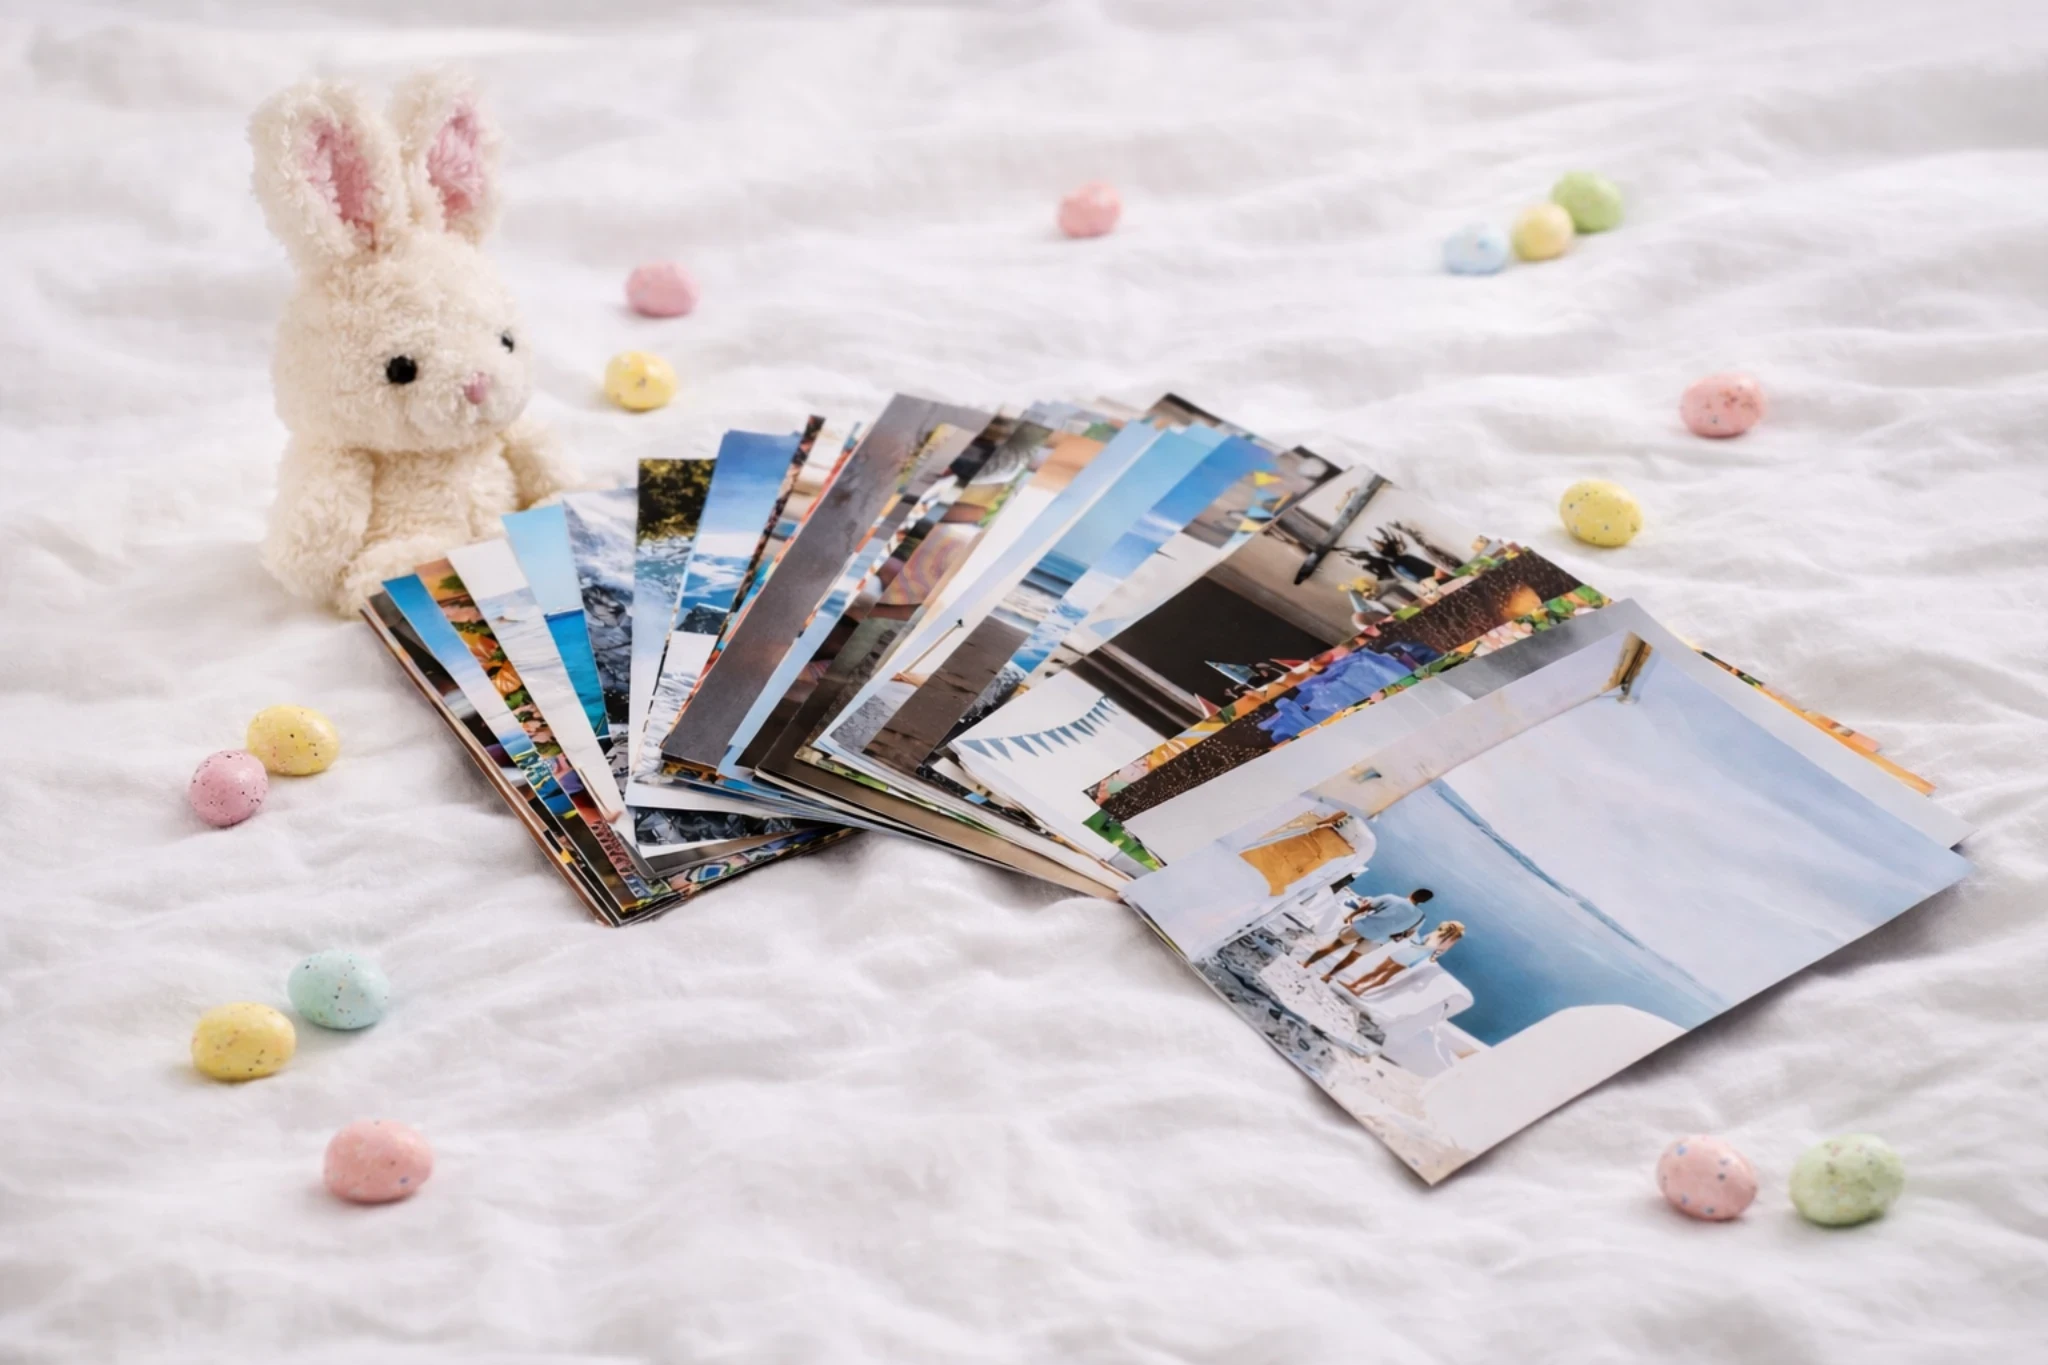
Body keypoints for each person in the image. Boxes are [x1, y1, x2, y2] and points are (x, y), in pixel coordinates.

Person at [1303, 886, 1434, 979]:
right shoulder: (1421, 917)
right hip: (1379, 939)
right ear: (1423, 901)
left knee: (1334, 946)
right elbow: (1408, 934)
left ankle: (1306, 964)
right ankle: (1328, 976)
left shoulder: (1392, 898)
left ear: (1413, 892)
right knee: (1352, 958)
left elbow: (1367, 906)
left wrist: (1351, 916)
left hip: (1363, 927)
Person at [1344, 921, 1465, 996]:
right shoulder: (1448, 942)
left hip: (1406, 953)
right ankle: (1361, 990)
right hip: (1411, 960)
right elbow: (1438, 952)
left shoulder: (1436, 935)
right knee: (1386, 975)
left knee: (1378, 971)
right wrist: (1432, 956)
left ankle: (1354, 986)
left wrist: (1414, 944)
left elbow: (1426, 946)